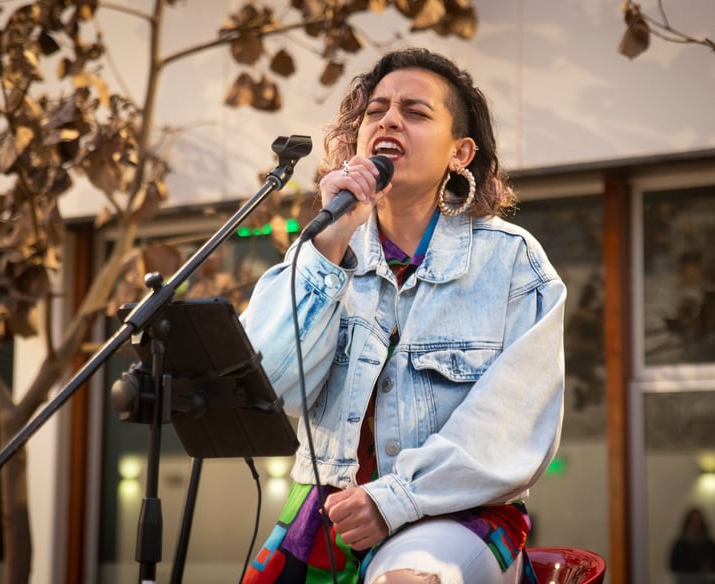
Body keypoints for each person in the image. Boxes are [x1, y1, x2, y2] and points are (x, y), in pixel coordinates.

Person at [239, 47, 566, 584]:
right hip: (324, 517)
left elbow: (512, 428)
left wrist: (396, 500)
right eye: (376, 110)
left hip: (456, 514)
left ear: (460, 152)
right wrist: (329, 245)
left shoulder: (512, 261)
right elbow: (268, 387)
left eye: (415, 112)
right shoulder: (323, 251)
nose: (388, 119)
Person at [669, 507, 715, 584]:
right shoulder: (680, 545)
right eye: (693, 522)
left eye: (698, 522)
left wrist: (710, 569)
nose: (696, 525)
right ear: (688, 523)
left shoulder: (711, 546)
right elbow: (675, 568)